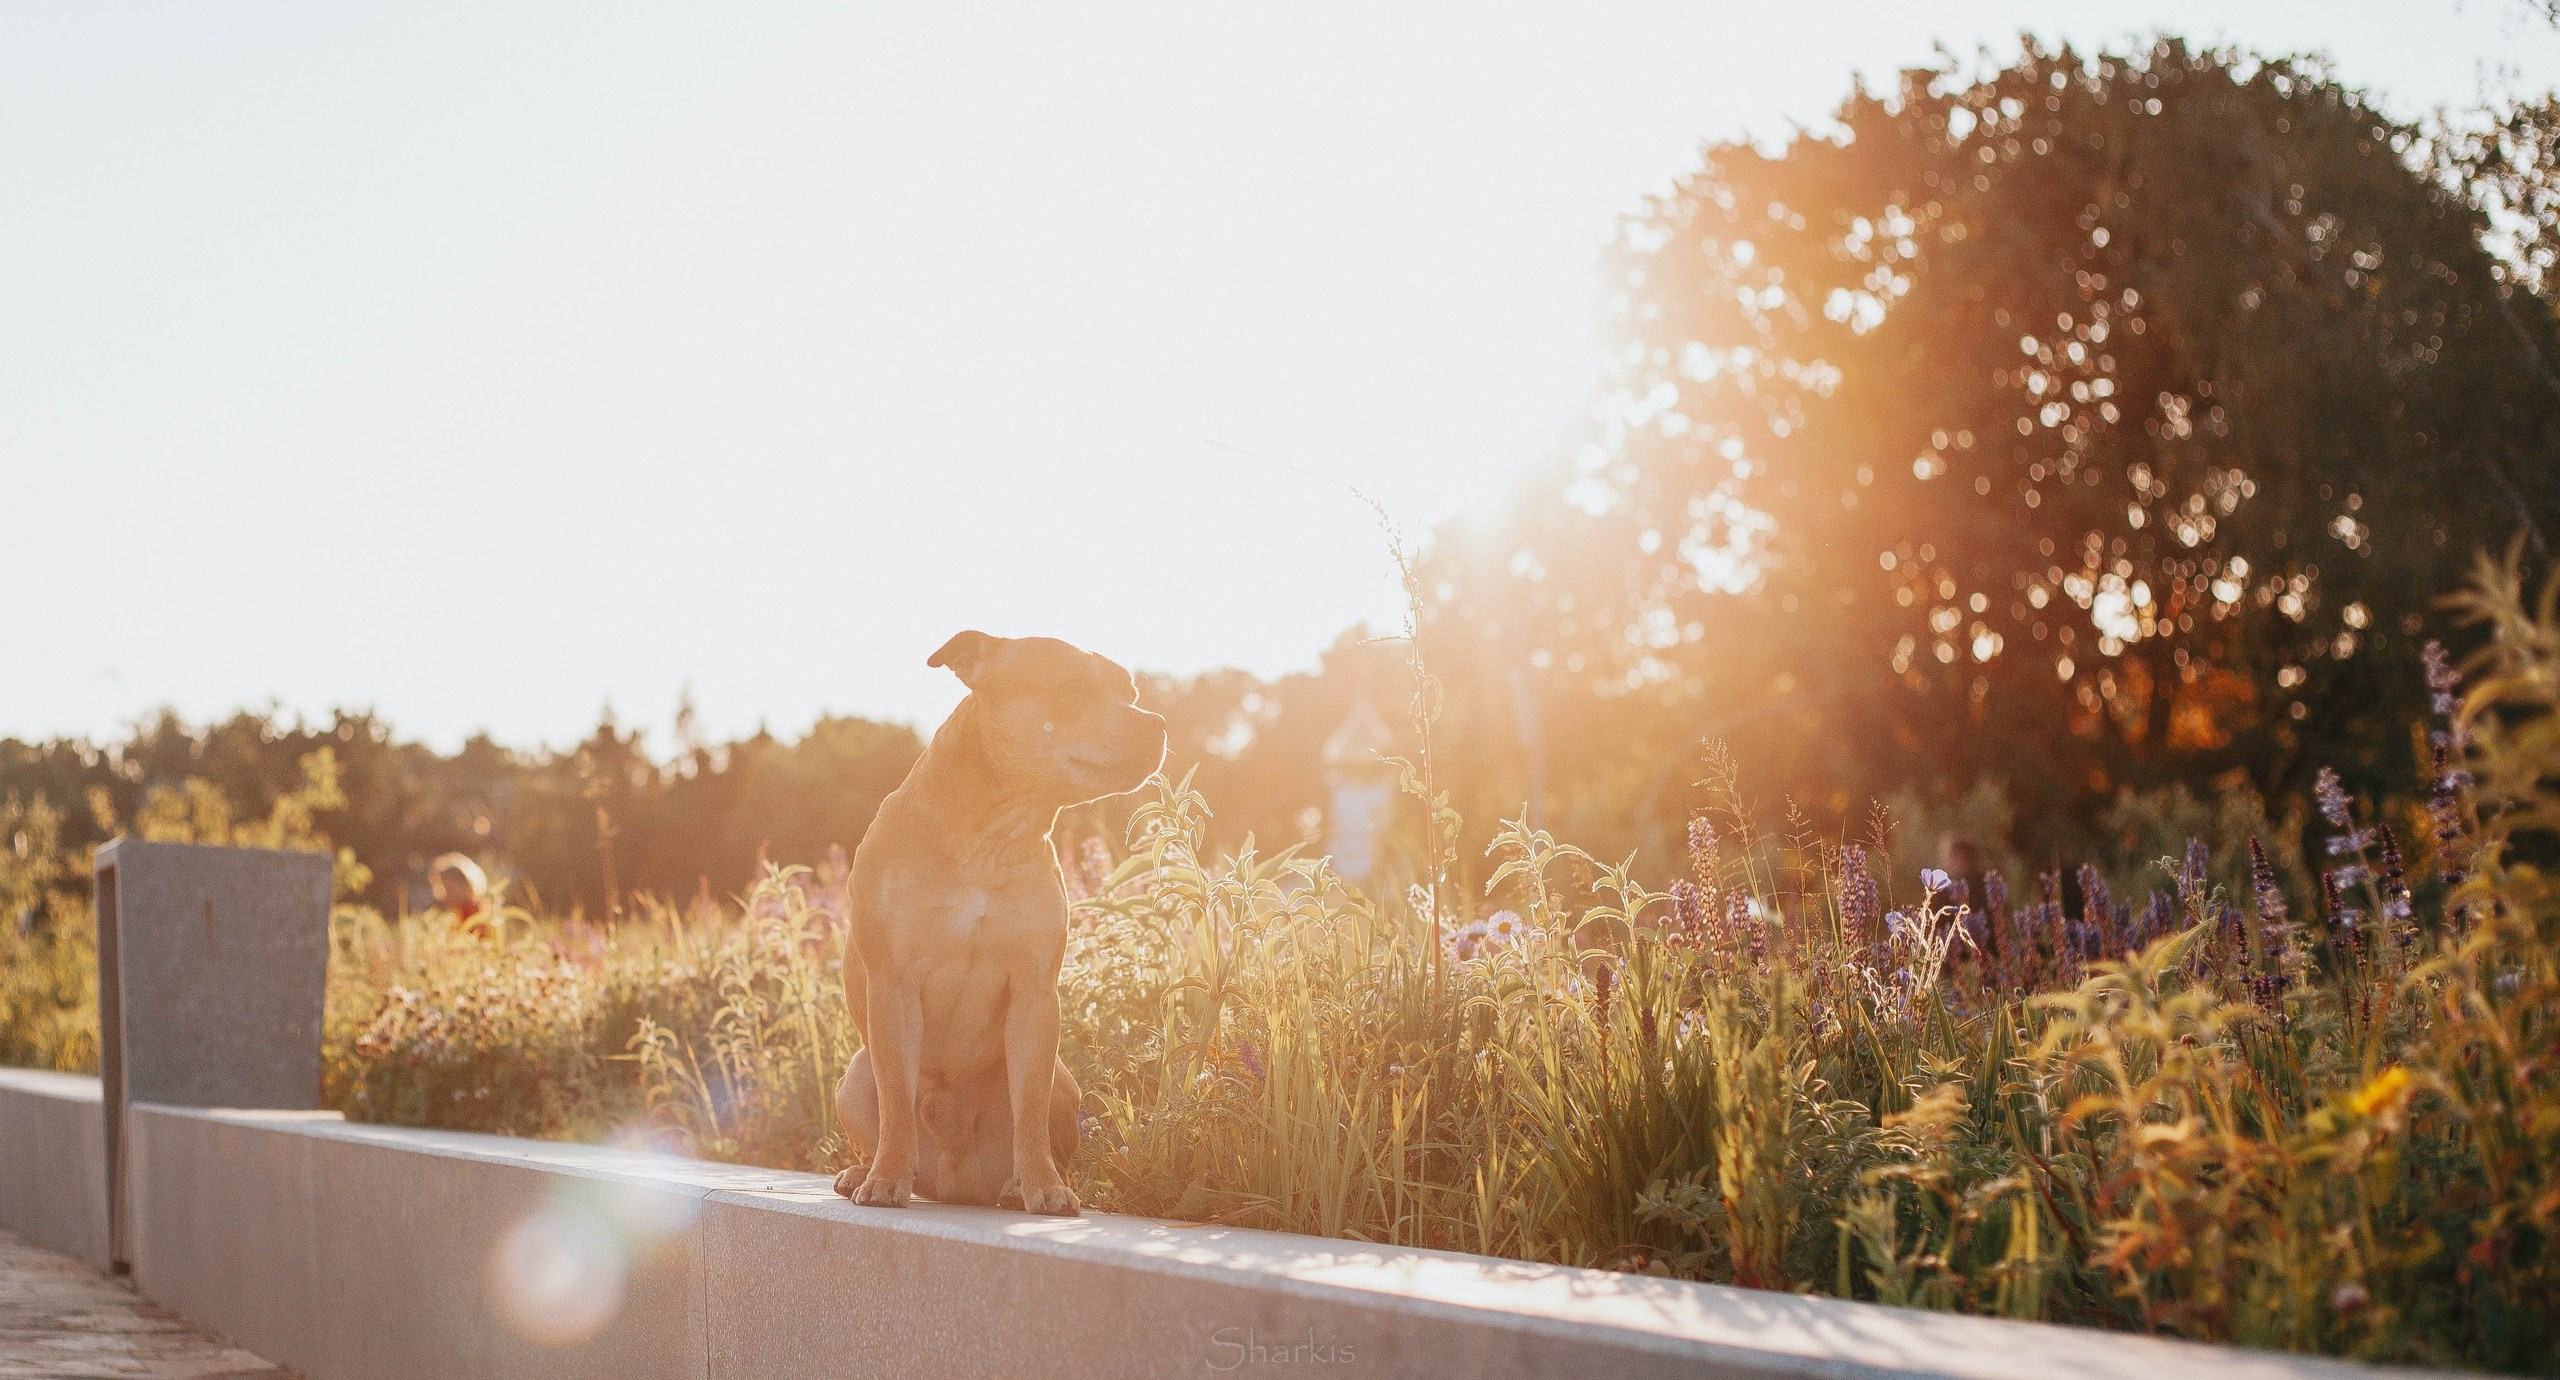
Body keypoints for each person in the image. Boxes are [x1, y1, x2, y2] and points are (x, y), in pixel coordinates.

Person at [428, 852, 493, 937]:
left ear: (465, 884)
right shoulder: (460, 910)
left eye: (449, 888)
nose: (445, 894)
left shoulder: (475, 911)